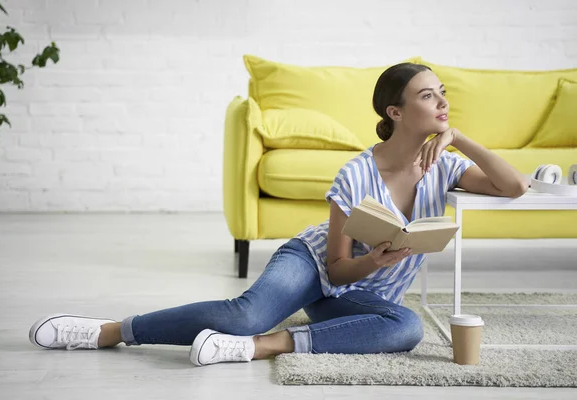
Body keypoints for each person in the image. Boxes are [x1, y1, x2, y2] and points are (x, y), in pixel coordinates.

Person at [28, 63, 529, 366]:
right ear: (395, 112)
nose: (441, 102)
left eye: (443, 94)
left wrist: (459, 137)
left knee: (406, 328)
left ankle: (264, 346)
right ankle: (108, 331)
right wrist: (375, 260)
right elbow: (335, 268)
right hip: (314, 265)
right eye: (427, 95)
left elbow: (515, 187)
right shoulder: (355, 174)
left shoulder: (446, 166)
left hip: (354, 299)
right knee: (244, 314)